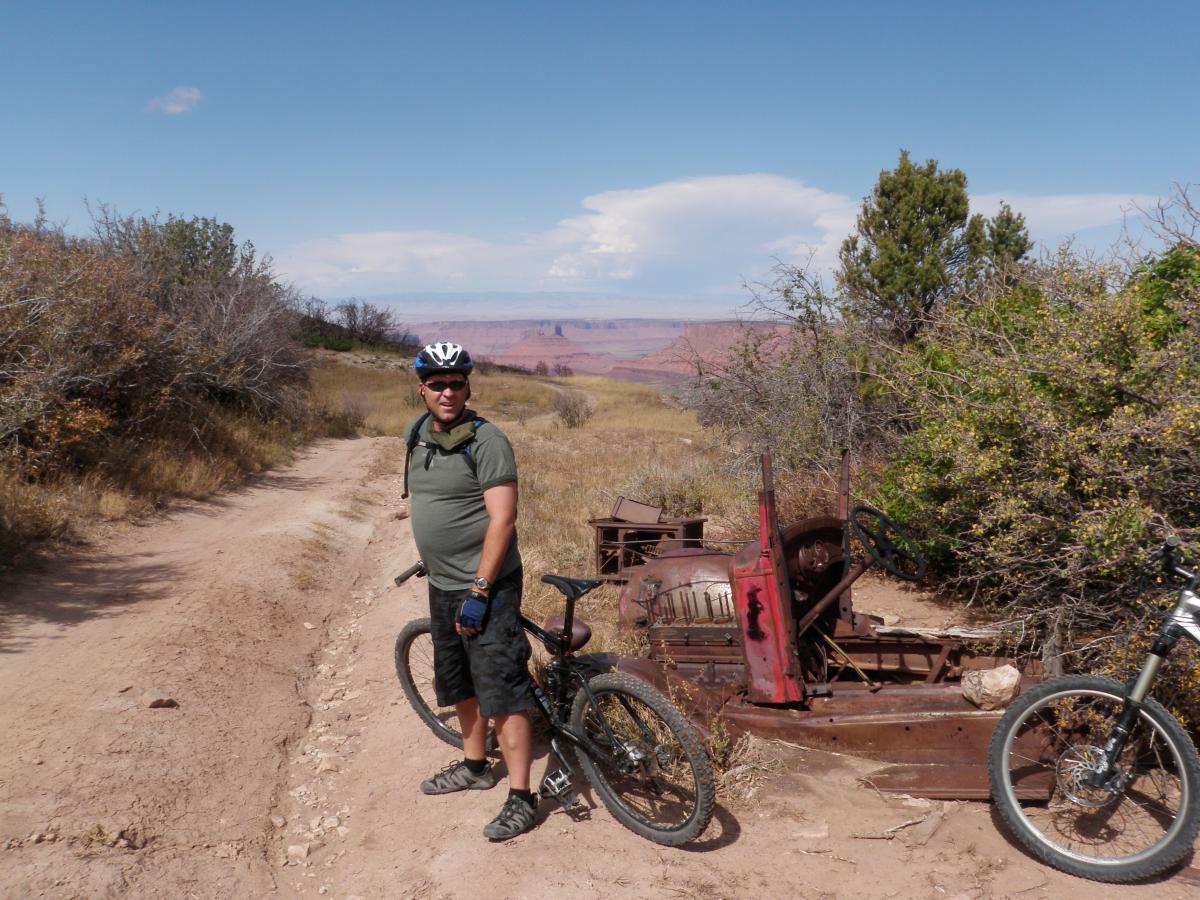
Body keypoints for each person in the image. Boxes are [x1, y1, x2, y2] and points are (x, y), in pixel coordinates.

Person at [403, 341, 537, 840]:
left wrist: (480, 589)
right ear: (422, 389)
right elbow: (432, 498)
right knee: (459, 684)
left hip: (487, 587)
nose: (447, 392)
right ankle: (476, 766)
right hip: (442, 584)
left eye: (456, 383)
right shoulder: (416, 434)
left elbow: (503, 518)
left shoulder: (488, 441)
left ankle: (523, 796)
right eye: (437, 384)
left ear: (468, 387)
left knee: (502, 691)